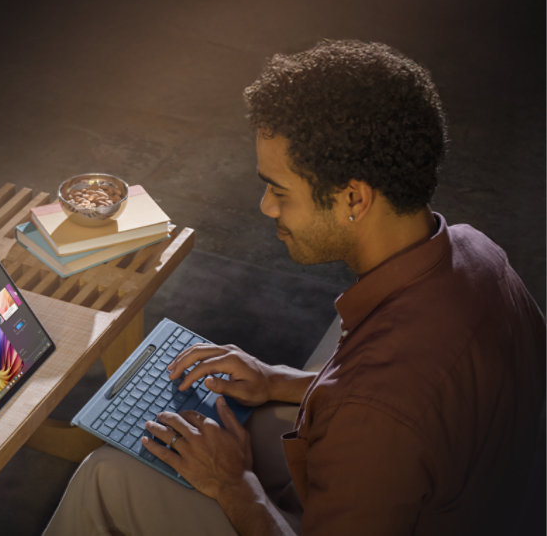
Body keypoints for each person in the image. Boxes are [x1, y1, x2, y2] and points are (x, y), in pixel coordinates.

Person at [44, 39, 545, 535]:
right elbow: (399, 400)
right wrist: (275, 379)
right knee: (230, 419)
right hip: (467, 491)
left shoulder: (376, 409)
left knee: (105, 477)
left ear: (354, 197)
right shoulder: (477, 253)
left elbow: (379, 405)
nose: (265, 206)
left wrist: (235, 485)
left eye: (279, 190)